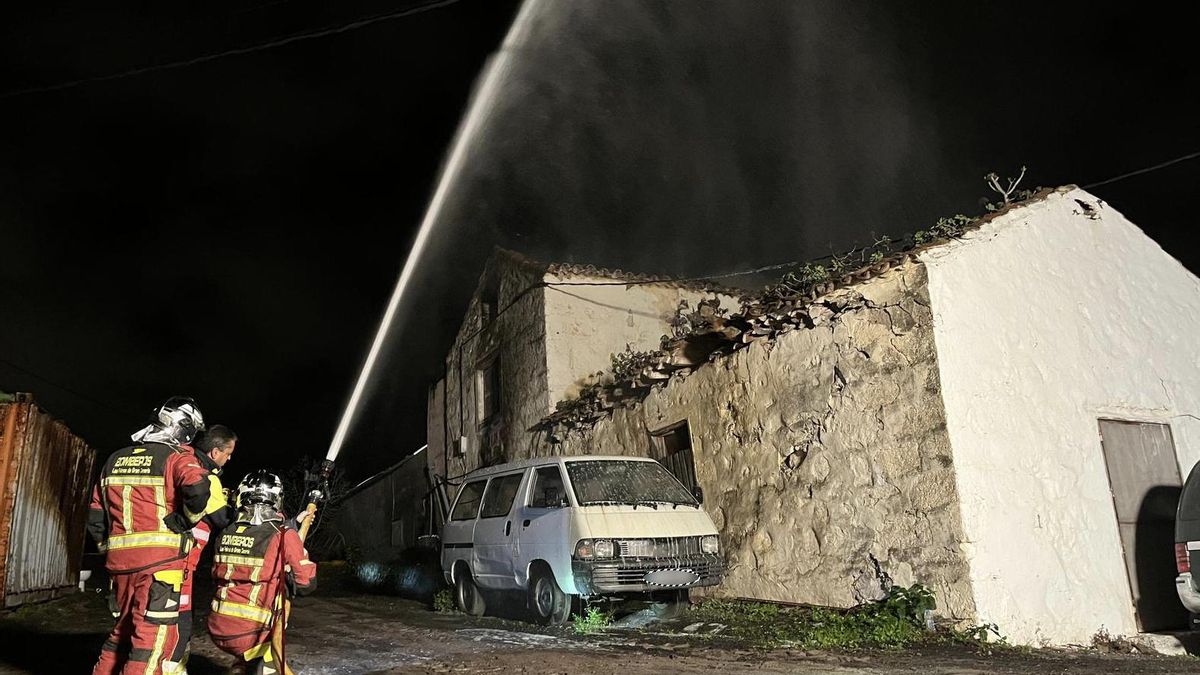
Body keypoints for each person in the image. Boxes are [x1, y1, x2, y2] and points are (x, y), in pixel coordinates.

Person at [87, 396, 225, 675]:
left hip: (119, 567)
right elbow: (199, 488)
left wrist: (109, 549)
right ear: (183, 428)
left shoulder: (114, 459)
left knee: (121, 635)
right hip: (161, 567)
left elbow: (94, 515)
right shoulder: (176, 457)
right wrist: (184, 519)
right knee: (152, 643)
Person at [208, 470, 317, 675]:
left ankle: (240, 666)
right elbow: (306, 585)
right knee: (269, 666)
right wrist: (300, 557)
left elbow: (259, 539)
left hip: (218, 627)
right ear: (276, 499)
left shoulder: (226, 532)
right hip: (252, 632)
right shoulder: (284, 536)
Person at [172, 424, 238, 672]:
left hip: (167, 558)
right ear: (214, 453)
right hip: (181, 562)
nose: (229, 458)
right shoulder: (206, 478)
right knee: (180, 622)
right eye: (228, 453)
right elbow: (222, 520)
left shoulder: (182, 465)